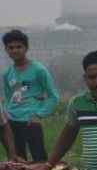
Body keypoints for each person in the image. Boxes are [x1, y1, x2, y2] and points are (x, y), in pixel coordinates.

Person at [2, 29, 60, 161]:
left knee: (39, 158)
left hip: (30, 121)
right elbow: (9, 97)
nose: (15, 50)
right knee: (17, 159)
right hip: (12, 121)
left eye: (19, 47)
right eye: (11, 47)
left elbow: (53, 96)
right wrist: (6, 113)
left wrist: (39, 114)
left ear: (26, 48)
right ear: (6, 49)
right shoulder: (7, 73)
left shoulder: (38, 70)